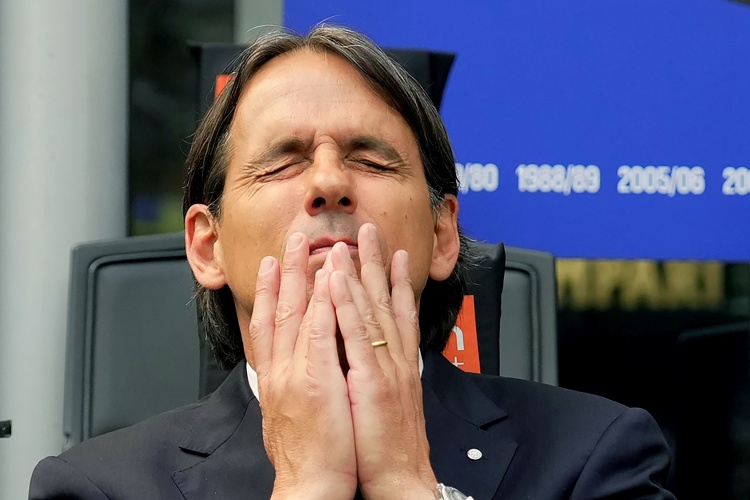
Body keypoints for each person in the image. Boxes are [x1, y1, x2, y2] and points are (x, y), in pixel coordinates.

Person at [29, 25, 675, 499]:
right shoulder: (96, 487)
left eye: (370, 160)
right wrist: (304, 489)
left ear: (443, 234)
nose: (329, 183)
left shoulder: (595, 457)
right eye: (282, 162)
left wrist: (409, 484)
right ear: (207, 245)